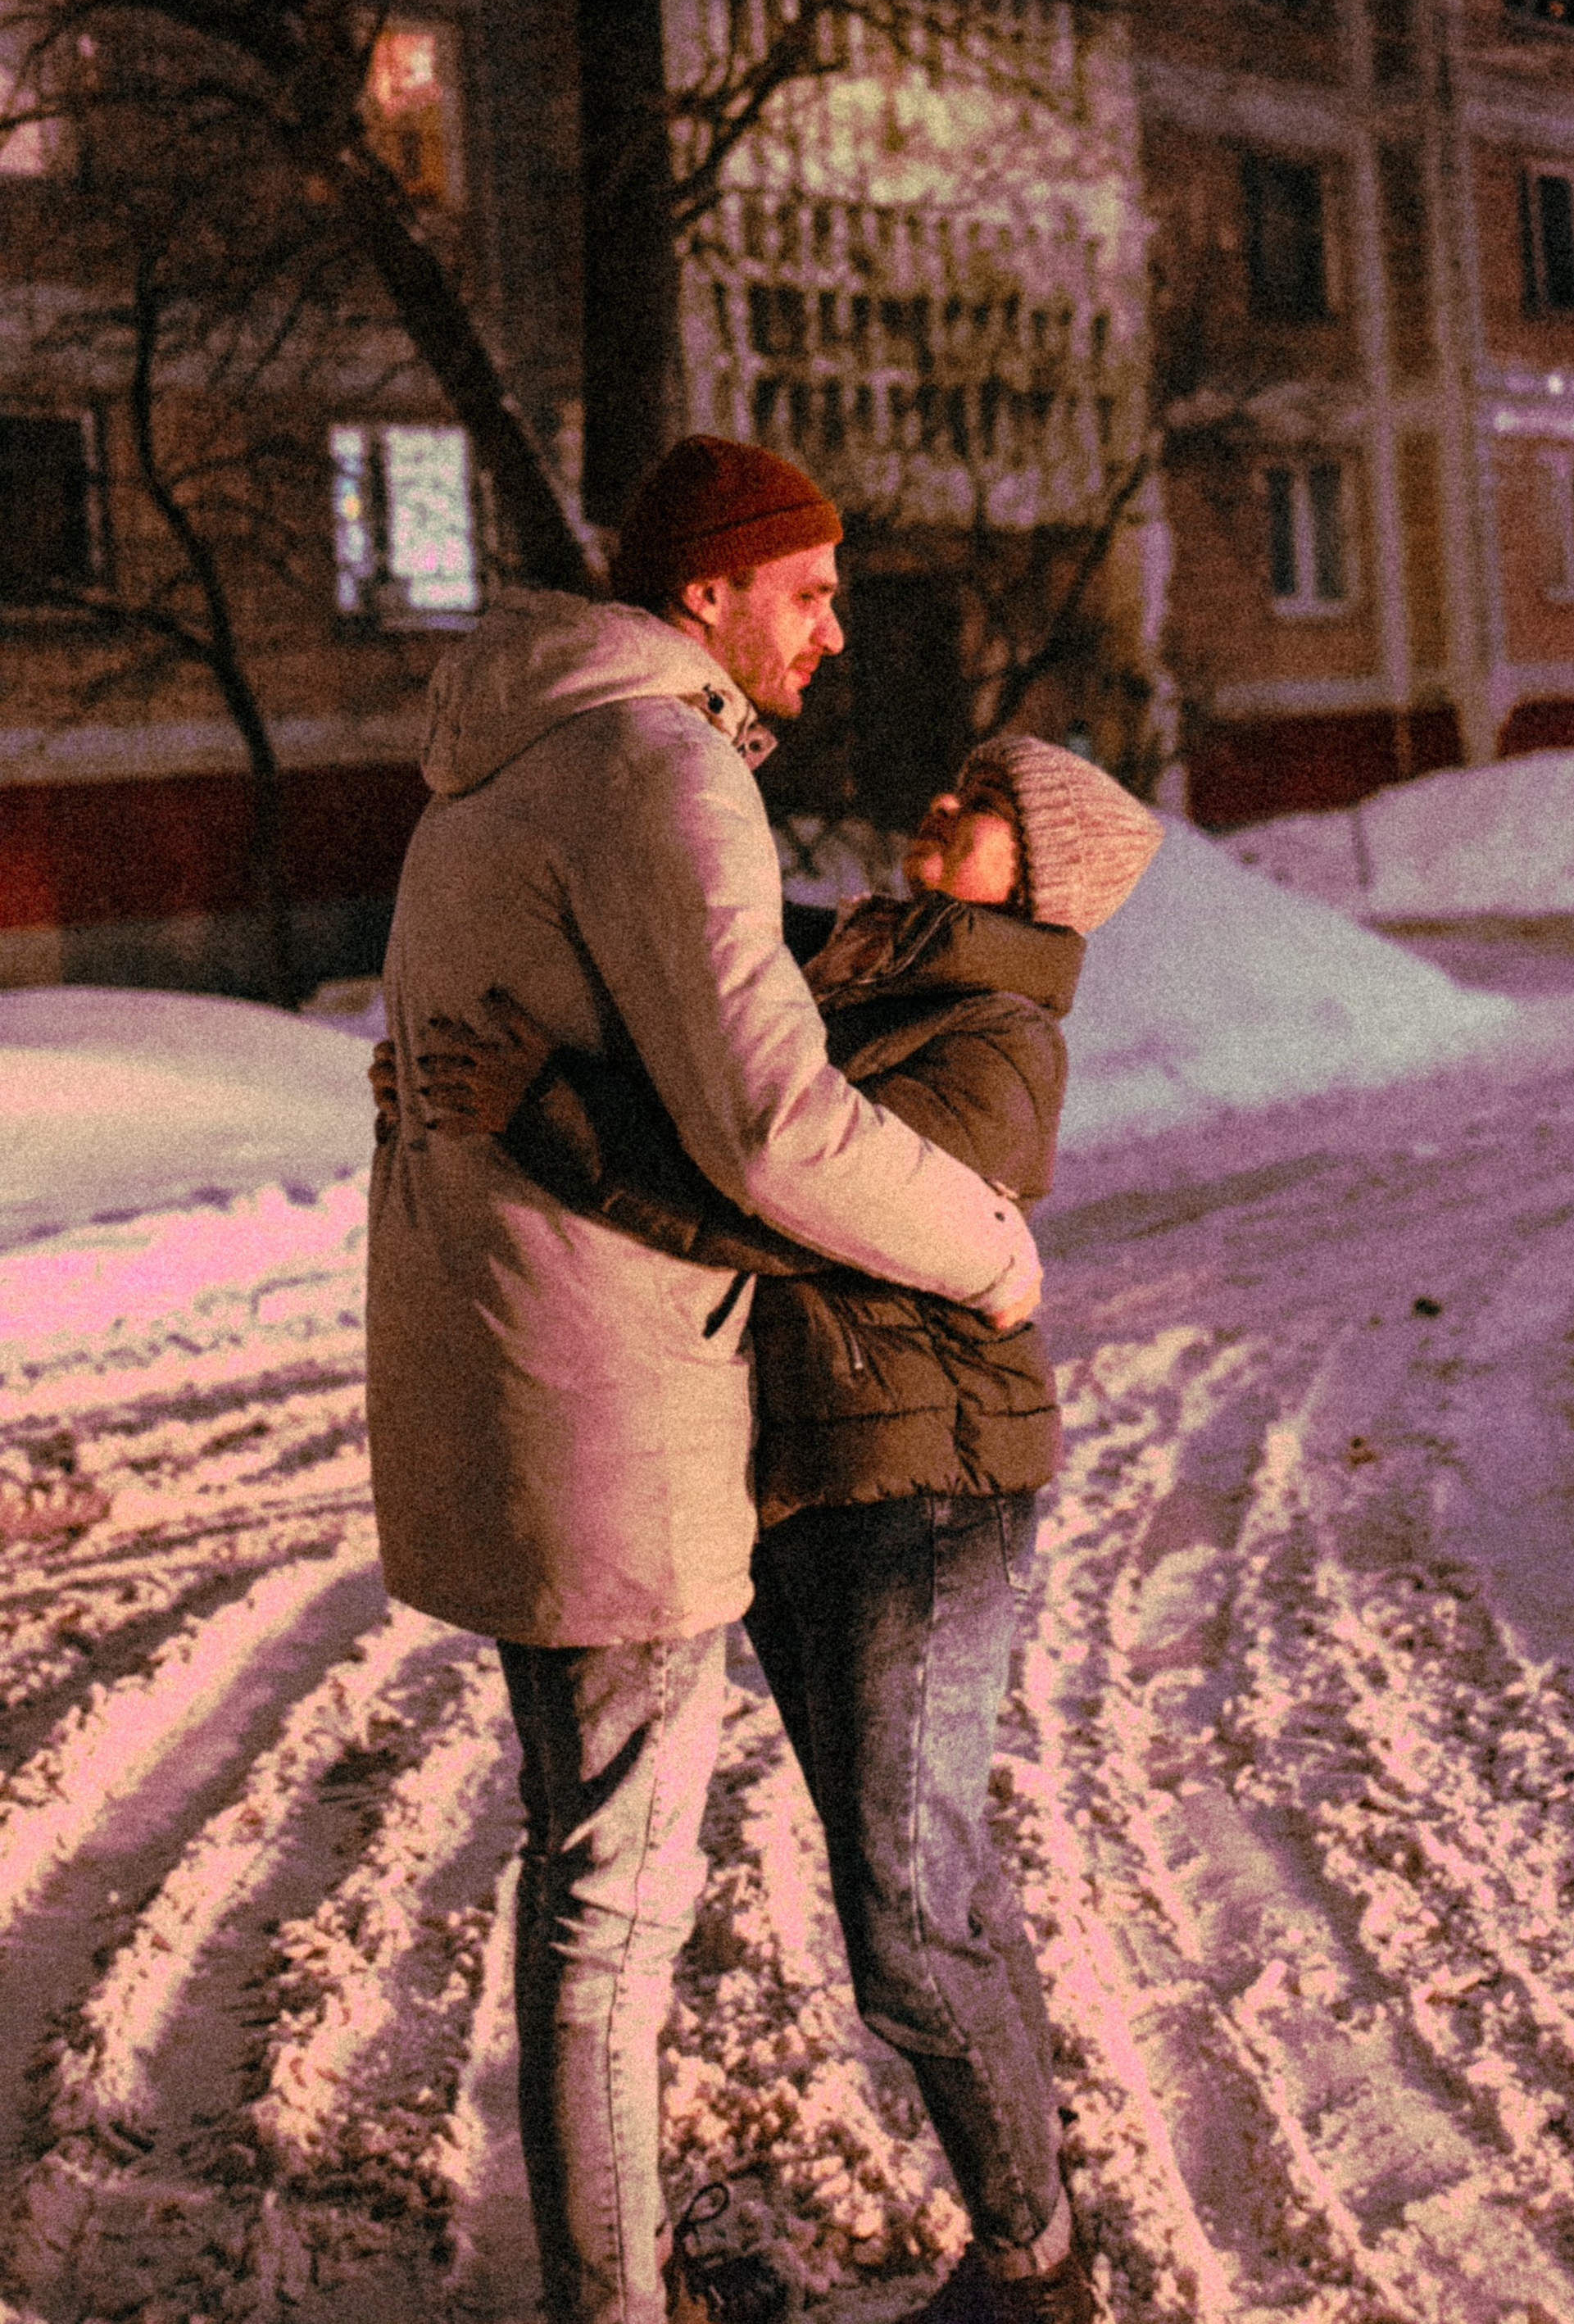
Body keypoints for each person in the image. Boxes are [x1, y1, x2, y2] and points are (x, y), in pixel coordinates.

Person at [365, 434, 1043, 2324]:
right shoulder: (656, 764)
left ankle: (616, 2279)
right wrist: (993, 1247)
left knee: (582, 1859)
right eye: (807, 592)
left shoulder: (494, 767)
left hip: (511, 1376)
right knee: (612, 1896)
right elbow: (769, 1124)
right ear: (706, 595)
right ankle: (616, 2305)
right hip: (606, 1398)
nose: (832, 632)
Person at [399, 735, 1163, 2324]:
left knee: (901, 1921)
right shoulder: (843, 964)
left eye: (980, 812)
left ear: (1040, 880)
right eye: (948, 781)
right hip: (798, 1487)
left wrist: (549, 1111)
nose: (936, 806)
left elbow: (767, 1187)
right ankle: (1030, 2251)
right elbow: (695, 1058)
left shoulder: (997, 1039)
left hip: (928, 1491)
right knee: (929, 1885)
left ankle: (1040, 2266)